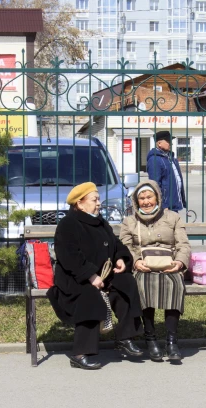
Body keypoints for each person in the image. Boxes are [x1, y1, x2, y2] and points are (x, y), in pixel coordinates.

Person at [48, 182, 144, 370]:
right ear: (80, 203)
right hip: (74, 278)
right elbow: (69, 256)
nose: (99, 203)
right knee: (89, 297)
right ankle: (80, 353)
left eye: (98, 199)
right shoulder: (68, 224)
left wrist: (121, 258)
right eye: (94, 199)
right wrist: (90, 276)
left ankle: (125, 337)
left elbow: (115, 244)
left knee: (126, 283)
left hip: (104, 274)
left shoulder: (100, 222)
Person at [119, 181, 191, 361]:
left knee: (175, 285)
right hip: (143, 265)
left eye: (149, 197)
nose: (146, 201)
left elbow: (183, 245)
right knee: (142, 286)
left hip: (169, 264)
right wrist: (135, 262)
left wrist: (180, 263)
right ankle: (150, 339)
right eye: (141, 198)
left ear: (157, 197)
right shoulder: (129, 221)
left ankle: (171, 341)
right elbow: (125, 246)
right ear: (136, 201)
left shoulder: (172, 217)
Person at [146, 130, 187, 213]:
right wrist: (163, 205)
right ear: (159, 143)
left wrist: (182, 201)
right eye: (168, 141)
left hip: (174, 205)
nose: (170, 144)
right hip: (166, 207)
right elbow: (155, 185)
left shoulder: (170, 158)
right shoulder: (155, 160)